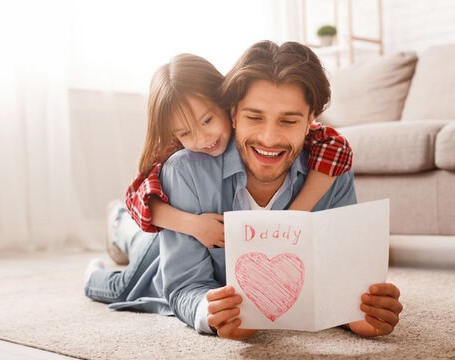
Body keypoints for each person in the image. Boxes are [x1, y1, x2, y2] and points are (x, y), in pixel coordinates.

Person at [87, 41, 403, 339]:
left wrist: (356, 312)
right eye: (254, 117)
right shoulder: (183, 170)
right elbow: (184, 285)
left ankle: (120, 225)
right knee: (132, 273)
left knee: (139, 239)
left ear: (311, 121)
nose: (269, 138)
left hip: (177, 230)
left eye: (288, 121)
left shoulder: (331, 167)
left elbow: (342, 279)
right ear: (234, 111)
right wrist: (207, 312)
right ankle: (117, 223)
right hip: (163, 231)